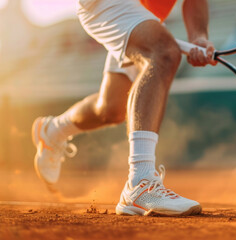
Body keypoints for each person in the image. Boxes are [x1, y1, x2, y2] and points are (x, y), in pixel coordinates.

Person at [32, 0, 216, 216]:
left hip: (142, 13)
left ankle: (53, 130)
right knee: (163, 52)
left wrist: (198, 37)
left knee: (111, 109)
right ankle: (140, 183)